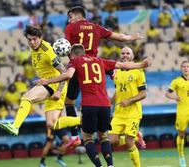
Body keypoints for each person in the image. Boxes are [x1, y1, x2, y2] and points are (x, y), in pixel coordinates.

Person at [35, 44, 151, 167]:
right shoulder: (101, 61)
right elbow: (122, 66)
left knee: (88, 138)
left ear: (73, 55)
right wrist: (142, 64)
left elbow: (68, 75)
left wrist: (47, 81)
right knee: (106, 138)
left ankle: (99, 165)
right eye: (123, 53)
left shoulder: (75, 61)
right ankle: (110, 165)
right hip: (106, 105)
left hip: (91, 104)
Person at [64, 6, 144, 148]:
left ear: (77, 15)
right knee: (102, 91)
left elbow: (66, 47)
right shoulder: (96, 27)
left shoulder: (70, 28)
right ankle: (112, 73)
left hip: (79, 66)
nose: (69, 20)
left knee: (69, 102)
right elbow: (119, 37)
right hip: (96, 66)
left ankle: (75, 136)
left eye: (70, 16)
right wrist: (132, 37)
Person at [0, 25, 70, 137]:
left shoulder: (47, 51)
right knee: (51, 124)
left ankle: (15, 126)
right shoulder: (34, 50)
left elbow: (64, 72)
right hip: (48, 83)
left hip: (54, 84)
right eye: (29, 40)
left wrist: (59, 91)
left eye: (35, 39)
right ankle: (83, 121)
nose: (32, 42)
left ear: (41, 37)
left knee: (26, 98)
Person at [109, 47, 147, 167]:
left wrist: (129, 100)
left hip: (133, 113)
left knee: (129, 143)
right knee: (111, 141)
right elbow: (118, 90)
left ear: (132, 56)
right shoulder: (117, 71)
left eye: (128, 53)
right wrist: (110, 102)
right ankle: (137, 136)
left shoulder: (138, 71)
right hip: (119, 112)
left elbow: (143, 94)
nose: (125, 55)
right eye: (123, 53)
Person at [165, 60, 189, 167]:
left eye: (188, 66)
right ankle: (181, 156)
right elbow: (167, 93)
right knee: (181, 134)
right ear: (181, 68)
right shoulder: (176, 81)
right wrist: (174, 97)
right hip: (182, 111)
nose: (186, 68)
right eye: (183, 66)